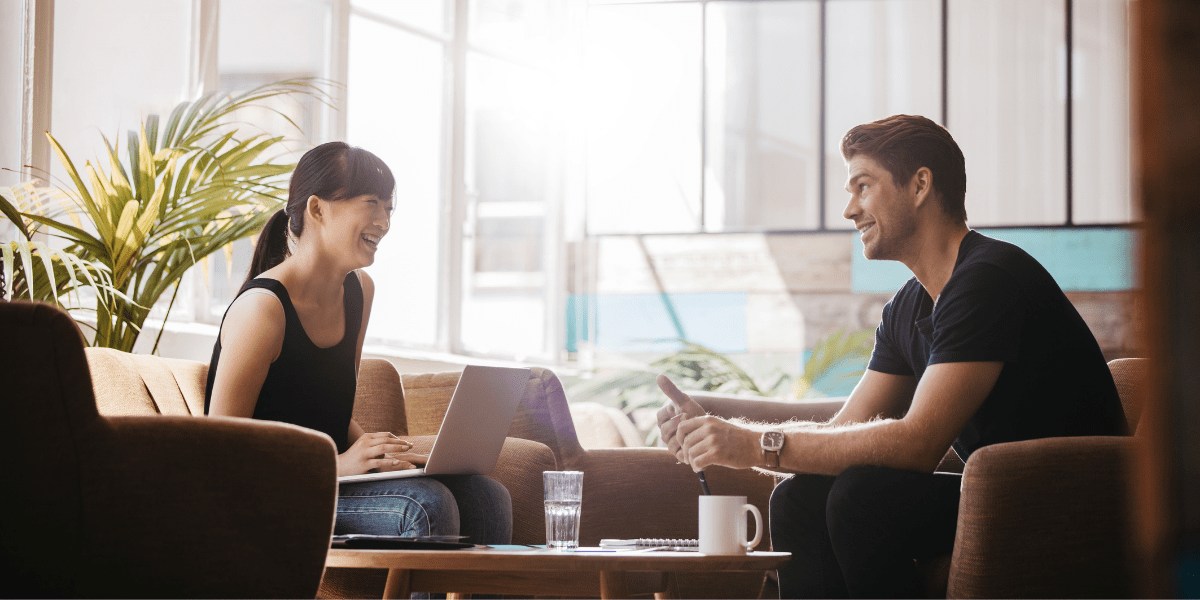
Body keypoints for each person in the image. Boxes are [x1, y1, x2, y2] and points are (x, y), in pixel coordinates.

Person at [656, 114, 1127, 599]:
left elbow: (917, 443)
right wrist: (718, 432)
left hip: (1072, 497)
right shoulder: (909, 305)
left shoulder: (988, 281)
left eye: (863, 186)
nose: (849, 210)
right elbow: (845, 434)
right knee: (799, 498)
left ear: (920, 184)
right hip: (997, 491)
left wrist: (753, 446)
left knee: (863, 498)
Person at [205, 141, 511, 548]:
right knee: (426, 505)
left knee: (489, 497)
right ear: (317, 209)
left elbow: (323, 406)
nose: (384, 221)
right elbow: (217, 454)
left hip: (328, 478)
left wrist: (383, 456)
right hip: (266, 492)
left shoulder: (358, 291)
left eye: (389, 207)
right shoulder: (262, 310)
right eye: (372, 203)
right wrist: (337, 466)